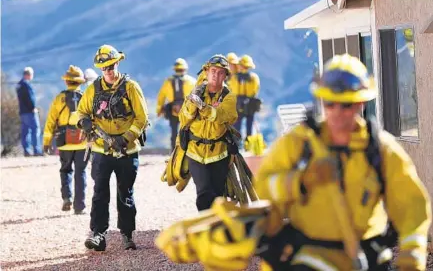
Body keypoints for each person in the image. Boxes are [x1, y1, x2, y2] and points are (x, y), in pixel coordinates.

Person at [156, 54, 431, 271]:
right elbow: (263, 189)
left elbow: (412, 204)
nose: (338, 113)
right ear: (322, 100)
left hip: (364, 257)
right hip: (306, 256)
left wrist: (412, 255)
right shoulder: (299, 144)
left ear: (361, 104)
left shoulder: (380, 149)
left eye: (347, 105)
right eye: (331, 103)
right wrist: (301, 181)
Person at [77, 44, 149, 251]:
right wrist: (84, 122)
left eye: (111, 66)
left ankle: (127, 234)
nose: (108, 71)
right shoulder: (93, 90)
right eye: (104, 68)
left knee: (125, 193)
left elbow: (142, 118)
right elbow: (81, 112)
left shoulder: (130, 87)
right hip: (101, 150)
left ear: (118, 63)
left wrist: (125, 138)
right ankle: (98, 234)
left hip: (127, 150)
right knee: (99, 193)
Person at [178, 54, 237, 211]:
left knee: (217, 195)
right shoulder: (195, 93)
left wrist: (203, 108)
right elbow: (183, 119)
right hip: (195, 152)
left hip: (219, 153)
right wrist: (193, 103)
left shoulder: (228, 97)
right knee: (203, 192)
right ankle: (206, 227)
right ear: (206, 72)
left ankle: (217, 228)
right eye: (213, 71)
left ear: (225, 76)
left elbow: (223, 116)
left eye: (220, 72)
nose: (215, 75)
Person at [42, 65, 89, 214]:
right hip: (82, 141)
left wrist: (46, 142)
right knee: (81, 172)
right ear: (80, 82)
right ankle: (80, 206)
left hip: (64, 142)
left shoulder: (59, 99)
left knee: (65, 170)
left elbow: (50, 121)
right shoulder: (85, 98)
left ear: (66, 82)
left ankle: (67, 198)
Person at [156, 58, 196, 151]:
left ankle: (173, 152)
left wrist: (159, 110)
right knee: (188, 131)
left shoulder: (168, 81)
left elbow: (161, 96)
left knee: (174, 133)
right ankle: (188, 151)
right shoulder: (192, 81)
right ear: (185, 69)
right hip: (187, 111)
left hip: (172, 110)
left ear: (175, 69)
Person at [231, 55, 261, 142]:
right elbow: (254, 91)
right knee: (248, 126)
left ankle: (239, 144)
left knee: (239, 126)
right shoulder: (253, 77)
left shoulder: (236, 77)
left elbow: (234, 90)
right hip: (249, 104)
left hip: (242, 103)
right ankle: (247, 144)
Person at [16, 66, 43, 156]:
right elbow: (30, 98)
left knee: (25, 131)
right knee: (35, 129)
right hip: (30, 111)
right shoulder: (26, 85)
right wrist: (33, 108)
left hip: (22, 111)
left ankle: (27, 150)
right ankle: (37, 150)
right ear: (28, 74)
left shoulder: (19, 85)